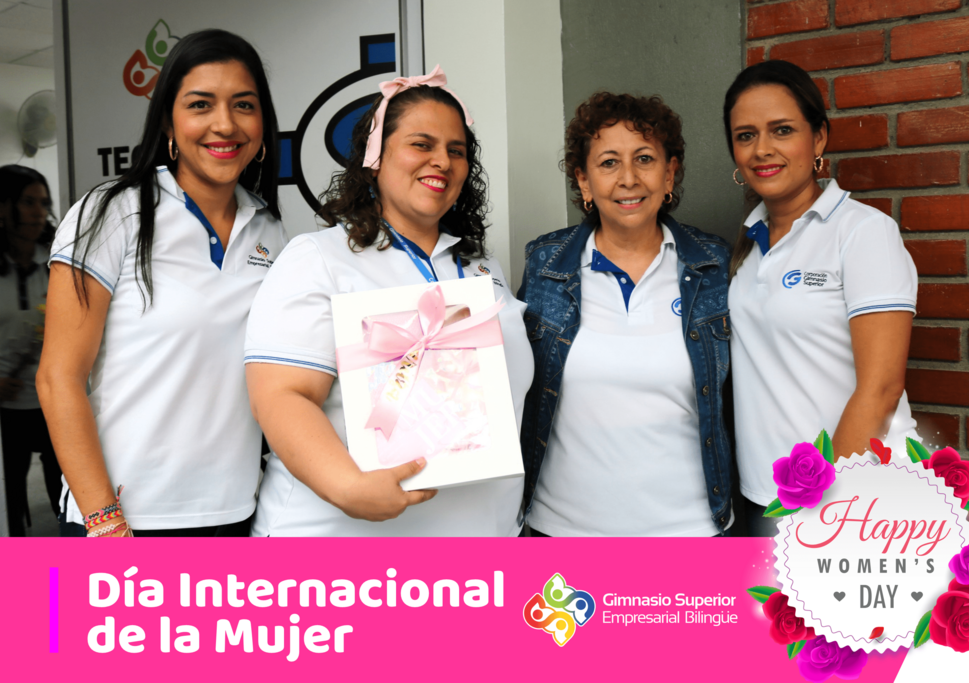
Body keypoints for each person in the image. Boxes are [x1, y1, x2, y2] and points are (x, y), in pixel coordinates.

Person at [245, 66, 533, 536]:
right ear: (375, 157)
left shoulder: (481, 267)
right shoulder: (318, 259)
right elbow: (281, 396)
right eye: (422, 144)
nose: (442, 161)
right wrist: (347, 487)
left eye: (456, 150)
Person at [36, 30, 287, 538]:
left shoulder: (270, 230)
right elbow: (58, 378)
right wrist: (105, 522)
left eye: (244, 105)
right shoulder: (112, 212)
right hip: (124, 520)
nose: (225, 124)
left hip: (235, 512)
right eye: (200, 104)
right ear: (169, 122)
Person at [518, 92, 734, 537]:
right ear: (583, 181)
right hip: (561, 534)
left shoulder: (714, 266)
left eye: (644, 159)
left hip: (691, 533)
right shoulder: (545, 265)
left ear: (669, 173)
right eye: (609, 163)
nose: (628, 178)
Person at [724, 60, 918, 536]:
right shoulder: (748, 243)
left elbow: (882, 389)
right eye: (746, 135)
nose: (762, 149)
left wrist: (824, 505)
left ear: (819, 139)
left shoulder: (863, 232)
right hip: (763, 495)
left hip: (849, 498)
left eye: (782, 130)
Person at [0, 165, 62, 535]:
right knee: (11, 501)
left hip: (54, 401)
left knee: (65, 491)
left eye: (43, 203)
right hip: (6, 410)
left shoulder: (58, 262)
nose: (39, 212)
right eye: (28, 202)